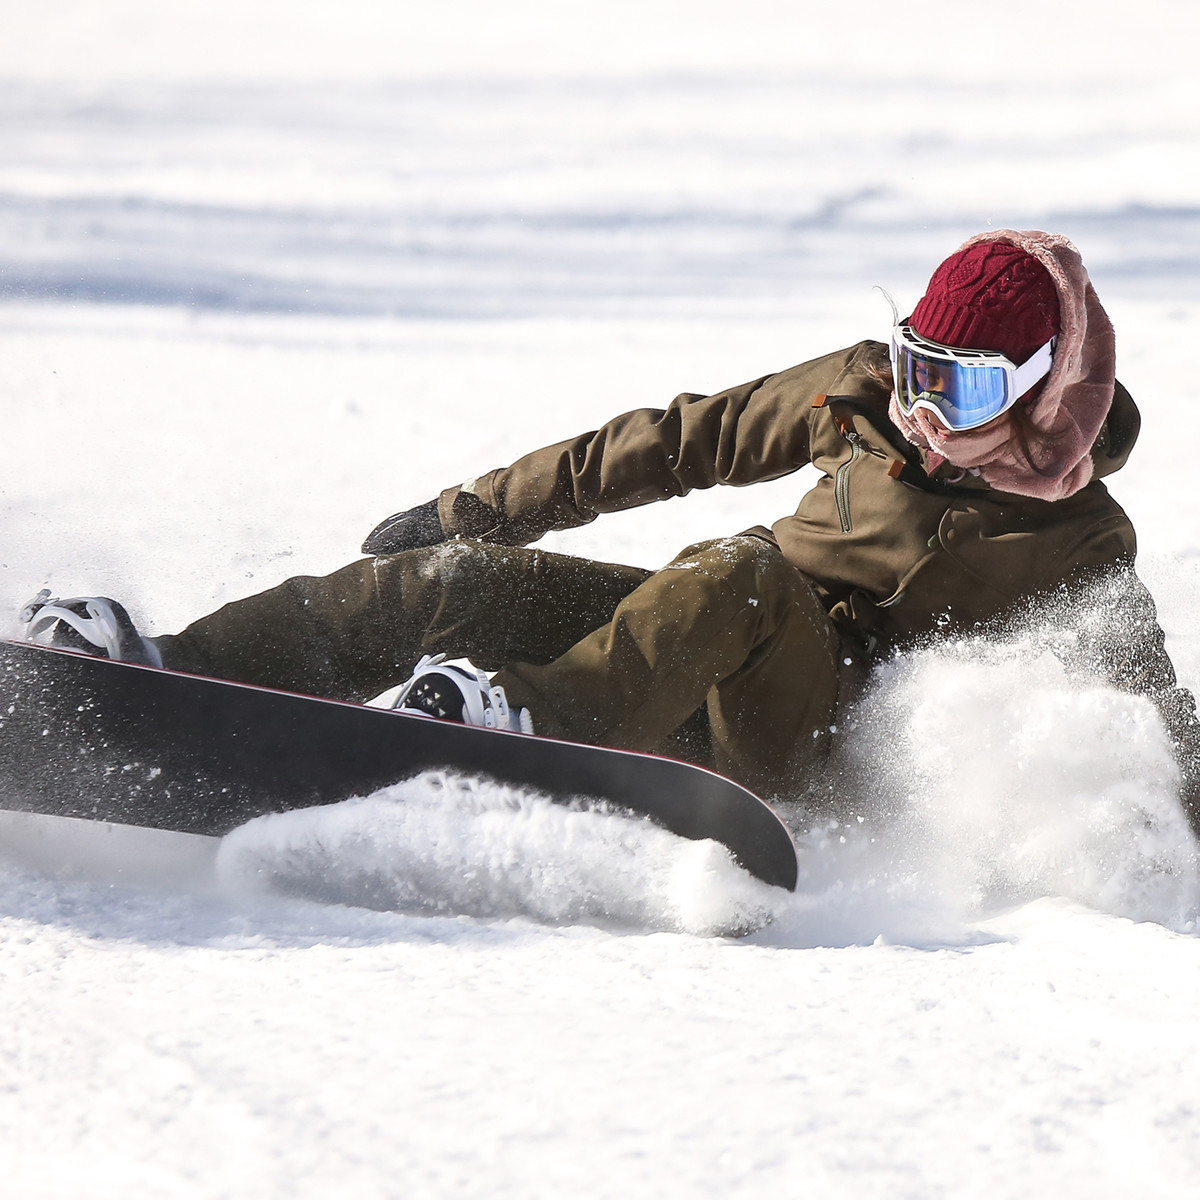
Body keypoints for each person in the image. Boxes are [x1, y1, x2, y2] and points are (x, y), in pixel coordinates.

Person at [21, 229, 1200, 823]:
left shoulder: (1080, 541)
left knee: (746, 573)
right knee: (457, 584)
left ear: (1048, 392)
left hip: (806, 731)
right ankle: (173, 666)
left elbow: (1146, 714)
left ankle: (527, 723)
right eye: (915, 366)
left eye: (968, 390)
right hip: (686, 641)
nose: (925, 411)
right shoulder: (857, 397)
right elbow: (678, 441)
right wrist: (475, 510)